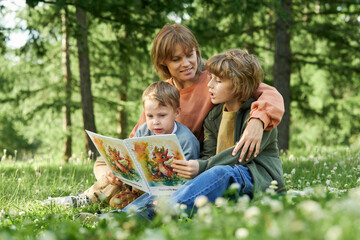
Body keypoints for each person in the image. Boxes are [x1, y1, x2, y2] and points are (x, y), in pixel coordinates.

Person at [53, 23, 284, 209]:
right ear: (164, 63)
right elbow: (134, 142)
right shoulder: (163, 95)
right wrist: (112, 171)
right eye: (176, 59)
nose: (187, 64)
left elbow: (267, 93)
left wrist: (258, 119)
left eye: (190, 55)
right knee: (112, 165)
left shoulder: (215, 81)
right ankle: (94, 198)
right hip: (173, 166)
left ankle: (130, 207)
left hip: (196, 164)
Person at [118, 49, 285, 218]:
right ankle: (122, 216)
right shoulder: (213, 117)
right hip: (223, 183)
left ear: (238, 85)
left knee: (221, 172)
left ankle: (156, 214)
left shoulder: (259, 117)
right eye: (210, 78)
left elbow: (241, 155)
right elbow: (208, 156)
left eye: (218, 81)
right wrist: (189, 170)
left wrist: (201, 167)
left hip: (258, 181)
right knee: (173, 186)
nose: (209, 85)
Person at [45, 81, 200, 208]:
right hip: (137, 183)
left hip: (165, 192)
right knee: (113, 174)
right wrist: (119, 171)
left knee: (128, 195)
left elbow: (187, 179)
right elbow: (132, 156)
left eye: (162, 115)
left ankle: (96, 201)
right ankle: (85, 198)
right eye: (150, 116)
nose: (155, 122)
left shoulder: (186, 140)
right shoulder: (144, 129)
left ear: (177, 112)